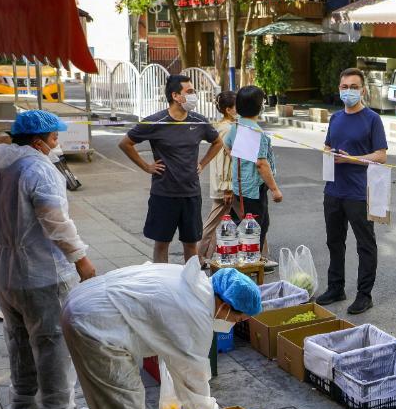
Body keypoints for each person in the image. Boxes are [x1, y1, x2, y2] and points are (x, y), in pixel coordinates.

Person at [61, 262, 262, 409]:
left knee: (117, 399)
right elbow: (192, 378)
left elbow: (175, 354)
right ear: (226, 306)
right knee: (123, 399)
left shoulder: (194, 285)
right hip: (92, 323)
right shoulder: (195, 314)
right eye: (237, 320)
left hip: (87, 304)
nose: (233, 325)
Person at [0, 110, 96, 409]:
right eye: (55, 138)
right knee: (51, 342)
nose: (58, 144)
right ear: (37, 141)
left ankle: (23, 406)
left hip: (4, 271)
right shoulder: (37, 170)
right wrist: (80, 258)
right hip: (41, 274)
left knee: (18, 339)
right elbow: (54, 220)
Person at [119, 74, 223, 264]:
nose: (194, 95)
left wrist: (203, 163)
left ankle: (191, 285)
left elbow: (217, 142)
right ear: (175, 95)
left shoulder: (199, 121)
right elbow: (125, 143)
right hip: (164, 194)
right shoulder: (155, 121)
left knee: (191, 244)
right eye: (189, 92)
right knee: (161, 244)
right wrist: (146, 167)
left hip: (191, 193)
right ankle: (161, 286)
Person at [316, 68, 388, 315]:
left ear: (363, 90)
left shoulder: (372, 119)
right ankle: (336, 287)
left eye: (354, 87)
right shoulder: (335, 118)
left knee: (365, 245)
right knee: (334, 242)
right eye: (344, 86)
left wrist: (352, 160)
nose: (349, 91)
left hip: (360, 192)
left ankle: (364, 295)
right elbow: (327, 146)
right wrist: (328, 153)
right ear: (339, 89)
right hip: (333, 191)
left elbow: (380, 155)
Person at [225, 86, 283, 267]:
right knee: (255, 231)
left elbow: (226, 145)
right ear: (259, 106)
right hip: (253, 190)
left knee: (248, 228)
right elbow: (261, 164)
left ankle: (248, 265)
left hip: (240, 187)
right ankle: (251, 271)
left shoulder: (236, 126)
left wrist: (239, 159)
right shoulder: (255, 132)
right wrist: (275, 189)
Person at [198, 91, 237, 262]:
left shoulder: (222, 126)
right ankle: (197, 258)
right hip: (226, 185)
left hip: (225, 183)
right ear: (228, 109)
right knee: (212, 224)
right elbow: (224, 160)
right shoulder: (228, 129)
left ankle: (204, 257)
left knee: (216, 223)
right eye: (237, 106)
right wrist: (227, 186)